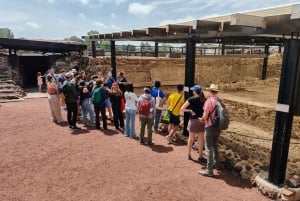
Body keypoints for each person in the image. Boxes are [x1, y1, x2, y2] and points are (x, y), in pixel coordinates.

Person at [198, 84, 221, 177]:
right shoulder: (219, 101)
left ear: (210, 91)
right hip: (218, 126)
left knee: (208, 148)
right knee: (215, 145)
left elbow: (205, 116)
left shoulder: (209, 101)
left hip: (210, 126)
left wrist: (201, 119)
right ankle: (217, 165)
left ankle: (209, 170)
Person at [180, 85, 206, 163]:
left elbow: (182, 109)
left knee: (191, 139)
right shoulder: (204, 99)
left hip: (193, 120)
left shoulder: (191, 99)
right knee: (201, 139)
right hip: (202, 121)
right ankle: (200, 156)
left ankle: (189, 154)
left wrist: (190, 111)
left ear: (195, 91)